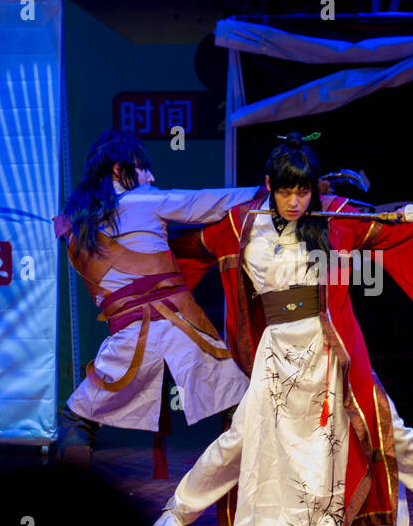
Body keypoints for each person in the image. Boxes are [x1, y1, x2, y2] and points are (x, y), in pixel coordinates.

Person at [151, 133, 413, 526]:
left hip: (332, 345)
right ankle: (178, 510)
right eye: (285, 192)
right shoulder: (240, 224)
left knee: (390, 430)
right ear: (268, 186)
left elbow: (392, 225)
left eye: (302, 191)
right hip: (276, 350)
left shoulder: (334, 217)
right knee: (243, 436)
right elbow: (181, 250)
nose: (295, 202)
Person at [53, 130, 260, 467]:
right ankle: (255, 483)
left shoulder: (74, 227)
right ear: (120, 170)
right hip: (182, 327)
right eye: (144, 168)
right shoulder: (145, 200)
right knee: (239, 401)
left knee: (79, 418)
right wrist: (267, 192)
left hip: (128, 340)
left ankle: (71, 491)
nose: (152, 177)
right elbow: (209, 202)